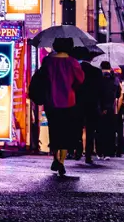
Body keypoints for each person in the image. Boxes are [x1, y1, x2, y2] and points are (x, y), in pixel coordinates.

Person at [29, 37, 85, 176]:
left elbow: (42, 78)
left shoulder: (48, 61)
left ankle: (55, 157)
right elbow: (80, 81)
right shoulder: (73, 63)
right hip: (68, 101)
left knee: (54, 130)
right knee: (66, 132)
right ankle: (61, 161)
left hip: (51, 101)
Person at [74, 57, 102, 164]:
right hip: (92, 104)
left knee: (77, 128)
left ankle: (78, 150)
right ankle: (88, 155)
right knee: (90, 131)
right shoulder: (97, 72)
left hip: (78, 103)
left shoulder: (77, 70)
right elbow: (101, 90)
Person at [96, 61, 122, 158]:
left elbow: (97, 94)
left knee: (99, 131)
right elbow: (118, 94)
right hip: (111, 108)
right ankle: (108, 152)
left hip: (99, 108)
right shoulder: (115, 79)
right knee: (109, 131)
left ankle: (99, 152)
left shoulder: (98, 78)